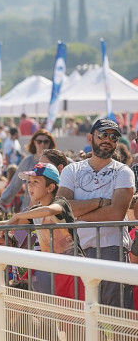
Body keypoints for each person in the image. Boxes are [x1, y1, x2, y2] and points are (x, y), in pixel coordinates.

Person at [0, 163, 86, 300]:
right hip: (55, 271)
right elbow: (4, 224)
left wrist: (18, 216)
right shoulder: (34, 212)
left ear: (50, 187)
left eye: (36, 182)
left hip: (74, 270)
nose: (30, 186)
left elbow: (50, 210)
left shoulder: (60, 202)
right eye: (29, 182)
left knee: (76, 318)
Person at [58, 119, 134, 308]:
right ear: (90, 137)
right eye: (102, 134)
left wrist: (76, 214)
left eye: (114, 136)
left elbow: (116, 214)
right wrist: (100, 203)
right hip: (77, 252)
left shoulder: (123, 172)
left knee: (117, 321)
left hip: (112, 250)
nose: (108, 139)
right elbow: (62, 206)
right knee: (81, 319)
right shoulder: (71, 170)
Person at [0, 129, 56, 213]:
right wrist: (1, 201)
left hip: (49, 208)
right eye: (39, 141)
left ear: (50, 143)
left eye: (46, 142)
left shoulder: (56, 161)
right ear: (34, 142)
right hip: (28, 208)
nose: (42, 144)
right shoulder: (28, 161)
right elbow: (15, 184)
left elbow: (71, 165)